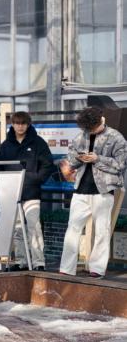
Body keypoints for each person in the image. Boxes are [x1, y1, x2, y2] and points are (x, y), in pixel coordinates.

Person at [60, 107, 127, 279]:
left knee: (102, 230)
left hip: (103, 191)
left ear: (100, 121)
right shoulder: (80, 136)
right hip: (80, 189)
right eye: (86, 129)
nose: (89, 131)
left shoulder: (116, 137)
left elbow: (121, 165)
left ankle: (97, 269)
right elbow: (71, 158)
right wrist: (76, 160)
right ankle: (66, 268)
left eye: (92, 128)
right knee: (73, 228)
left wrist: (97, 159)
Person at [0, 112, 55, 271]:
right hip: (11, 194)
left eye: (23, 123)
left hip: (31, 193)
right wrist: (3, 186)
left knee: (34, 227)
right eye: (17, 123)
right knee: (17, 229)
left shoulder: (38, 143)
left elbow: (48, 165)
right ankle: (22, 261)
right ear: (13, 124)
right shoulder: (6, 145)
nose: (20, 126)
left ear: (28, 125)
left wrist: (36, 179)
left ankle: (39, 262)